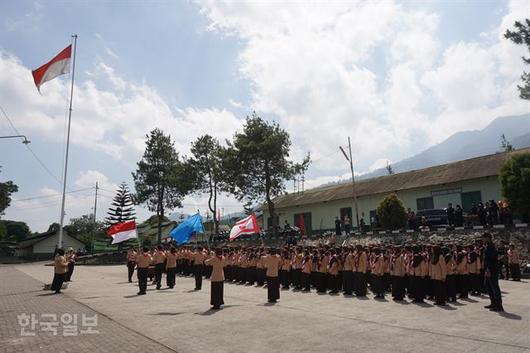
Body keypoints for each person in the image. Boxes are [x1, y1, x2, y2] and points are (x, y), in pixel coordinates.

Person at [483, 233, 503, 312]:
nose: (483, 240)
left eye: (484, 238)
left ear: (488, 238)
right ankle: (493, 303)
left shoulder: (491, 246)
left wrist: (488, 269)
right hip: (488, 269)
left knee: (494, 287)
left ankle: (499, 305)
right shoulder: (488, 246)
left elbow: (491, 259)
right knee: (488, 286)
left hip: (492, 269)